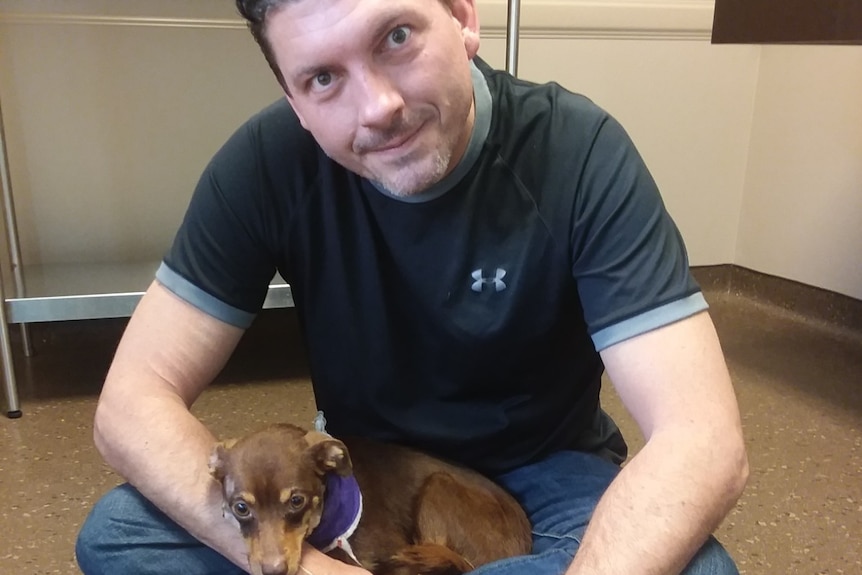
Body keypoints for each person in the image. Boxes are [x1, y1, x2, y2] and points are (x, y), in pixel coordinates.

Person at [75, 0, 749, 573]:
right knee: (119, 533)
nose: (379, 107)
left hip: (547, 470)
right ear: (294, 100)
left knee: (703, 566)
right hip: (368, 476)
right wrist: (309, 567)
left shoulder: (580, 153)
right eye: (322, 78)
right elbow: (131, 404)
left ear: (461, 15)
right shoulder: (264, 164)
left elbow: (703, 438)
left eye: (396, 37)